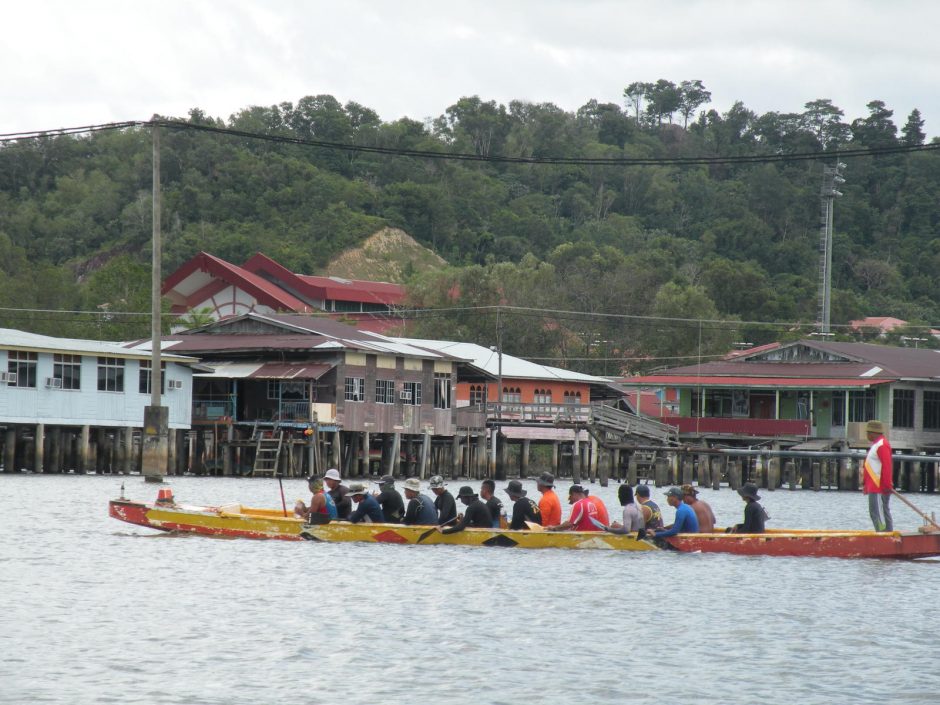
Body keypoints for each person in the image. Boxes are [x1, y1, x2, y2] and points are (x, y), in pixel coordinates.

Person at [862, 419, 894, 532]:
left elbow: (887, 466)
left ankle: (884, 535)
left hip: (879, 487)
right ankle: (883, 533)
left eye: (868, 433)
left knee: (879, 513)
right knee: (875, 512)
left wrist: (886, 486)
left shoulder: (882, 445)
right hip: (874, 487)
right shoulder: (876, 445)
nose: (866, 435)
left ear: (873, 433)